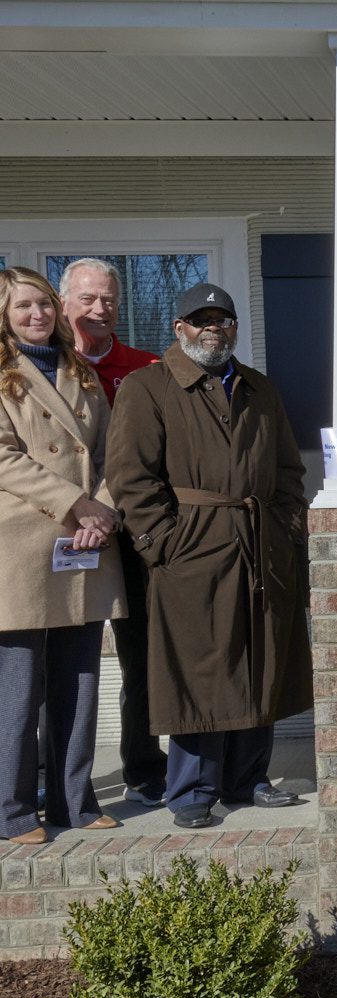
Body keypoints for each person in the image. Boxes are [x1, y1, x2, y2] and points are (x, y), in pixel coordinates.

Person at [106, 282, 311, 829]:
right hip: (190, 548)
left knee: (258, 659)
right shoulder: (149, 387)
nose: (212, 328)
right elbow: (130, 477)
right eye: (200, 319)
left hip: (259, 542)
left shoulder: (260, 390)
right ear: (179, 328)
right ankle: (193, 788)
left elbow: (289, 473)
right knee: (199, 669)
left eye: (222, 319)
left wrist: (287, 532)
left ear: (235, 328)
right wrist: (163, 544)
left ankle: (248, 779)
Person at [0, 266, 126, 843]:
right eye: (24, 306)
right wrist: (77, 504)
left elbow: (109, 452)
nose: (38, 315)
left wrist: (100, 511)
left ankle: (74, 802)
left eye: (45, 305)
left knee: (78, 679)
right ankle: (13, 810)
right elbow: (4, 457)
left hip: (85, 542)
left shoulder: (81, 372)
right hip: (23, 547)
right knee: (19, 689)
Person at [58, 257, 168, 807]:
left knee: (142, 656)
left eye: (108, 300)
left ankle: (144, 767)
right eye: (87, 299)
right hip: (61, 530)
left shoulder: (146, 368)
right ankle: (48, 776)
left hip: (131, 533)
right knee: (58, 659)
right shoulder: (38, 368)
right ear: (63, 304)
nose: (99, 309)